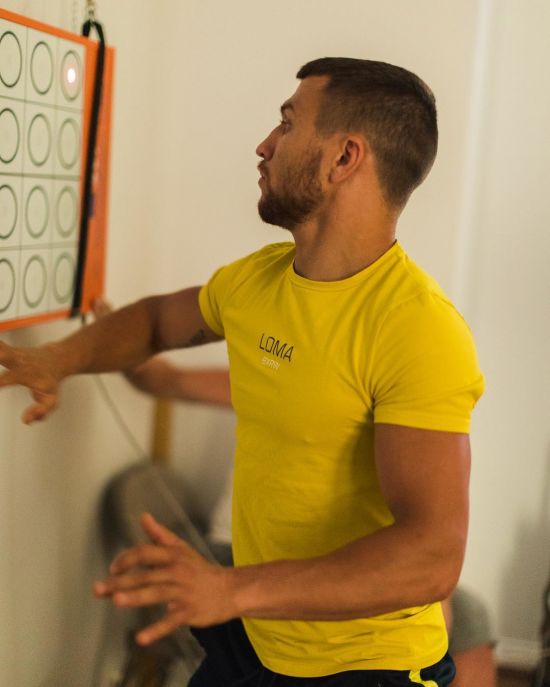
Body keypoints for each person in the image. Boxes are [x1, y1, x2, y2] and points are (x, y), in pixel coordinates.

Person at [0, 58, 485, 686]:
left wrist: (231, 588)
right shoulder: (259, 279)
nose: (264, 145)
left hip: (368, 665)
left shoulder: (418, 328)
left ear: (344, 158)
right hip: (257, 637)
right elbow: (154, 323)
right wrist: (57, 360)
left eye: (287, 124)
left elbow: (431, 557)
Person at [95, 299, 497, 687]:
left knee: (467, 614)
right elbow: (160, 377)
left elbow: (420, 539)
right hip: (243, 552)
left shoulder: (398, 402)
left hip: (340, 558)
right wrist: (113, 333)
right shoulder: (267, 376)